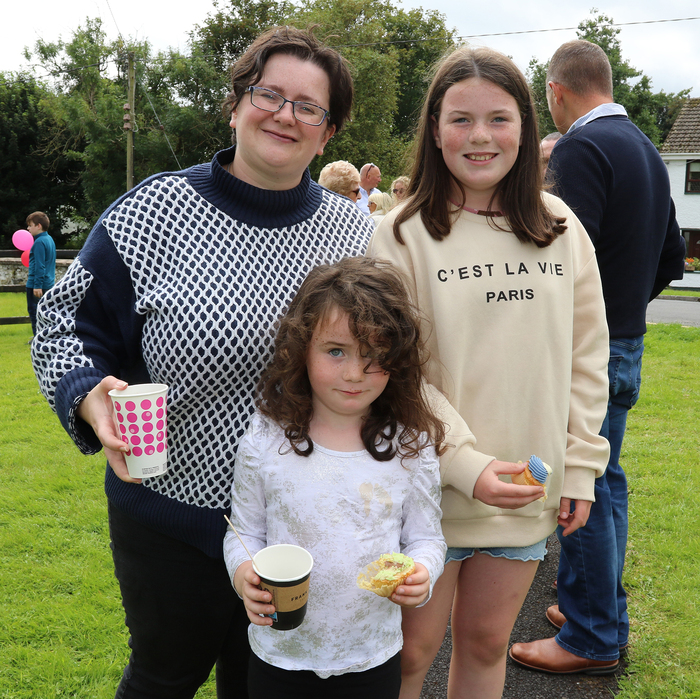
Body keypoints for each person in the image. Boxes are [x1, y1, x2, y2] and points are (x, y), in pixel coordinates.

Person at [30, 26, 375, 699]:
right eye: (268, 94)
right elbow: (64, 323)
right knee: (163, 678)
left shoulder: (355, 236)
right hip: (170, 519)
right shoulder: (153, 211)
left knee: (266, 687)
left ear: (327, 134)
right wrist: (88, 396)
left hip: (296, 524)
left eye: (309, 106)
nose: (285, 114)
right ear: (236, 104)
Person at [368, 45, 611, 698]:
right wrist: (464, 463)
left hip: (526, 486)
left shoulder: (561, 227)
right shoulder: (399, 234)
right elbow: (392, 369)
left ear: (526, 128)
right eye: (461, 119)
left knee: (483, 643)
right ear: (434, 130)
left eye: (499, 118)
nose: (481, 136)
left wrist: (581, 466)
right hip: (424, 491)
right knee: (408, 654)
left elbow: (588, 357)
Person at [509, 39, 686, 676]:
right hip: (626, 340)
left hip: (586, 348)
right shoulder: (645, 147)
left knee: (578, 480)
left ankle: (591, 637)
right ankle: (598, 611)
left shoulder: (581, 148)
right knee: (605, 480)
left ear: (555, 92)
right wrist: (627, 310)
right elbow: (673, 256)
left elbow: (555, 256)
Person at [224, 256, 447, 699]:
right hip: (280, 655)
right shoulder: (266, 438)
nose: (353, 373)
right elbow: (243, 531)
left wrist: (422, 573)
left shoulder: (410, 446)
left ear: (397, 359)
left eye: (374, 355)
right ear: (300, 348)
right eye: (335, 351)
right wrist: (242, 573)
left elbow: (427, 538)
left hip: (371, 657)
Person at [24, 211, 56, 337]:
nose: (28, 228)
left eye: (30, 225)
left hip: (37, 285)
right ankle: (46, 338)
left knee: (35, 312)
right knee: (46, 313)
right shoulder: (49, 239)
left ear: (38, 226)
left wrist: (37, 285)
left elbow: (40, 266)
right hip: (49, 283)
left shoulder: (39, 242)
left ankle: (38, 339)